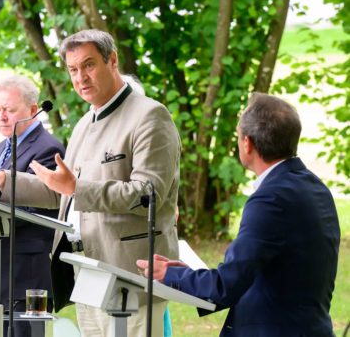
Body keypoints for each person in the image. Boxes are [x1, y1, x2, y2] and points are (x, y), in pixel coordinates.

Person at [0, 29, 181, 337]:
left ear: (112, 61)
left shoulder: (149, 115)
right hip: (85, 270)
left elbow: (148, 195)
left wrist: (77, 189)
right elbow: (63, 191)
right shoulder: (85, 122)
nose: (81, 77)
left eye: (89, 65)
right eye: (73, 69)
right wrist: (7, 180)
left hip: (129, 273)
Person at [137, 93, 340, 336]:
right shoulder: (315, 187)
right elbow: (258, 271)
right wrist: (188, 274)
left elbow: (225, 286)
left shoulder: (270, 199)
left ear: (248, 143)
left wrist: (170, 274)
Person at [0, 75, 65, 336]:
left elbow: (38, 207)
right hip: (1, 262)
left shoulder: (47, 148)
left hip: (27, 270)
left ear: (32, 109)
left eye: (9, 109)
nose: (1, 116)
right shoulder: (1, 147)